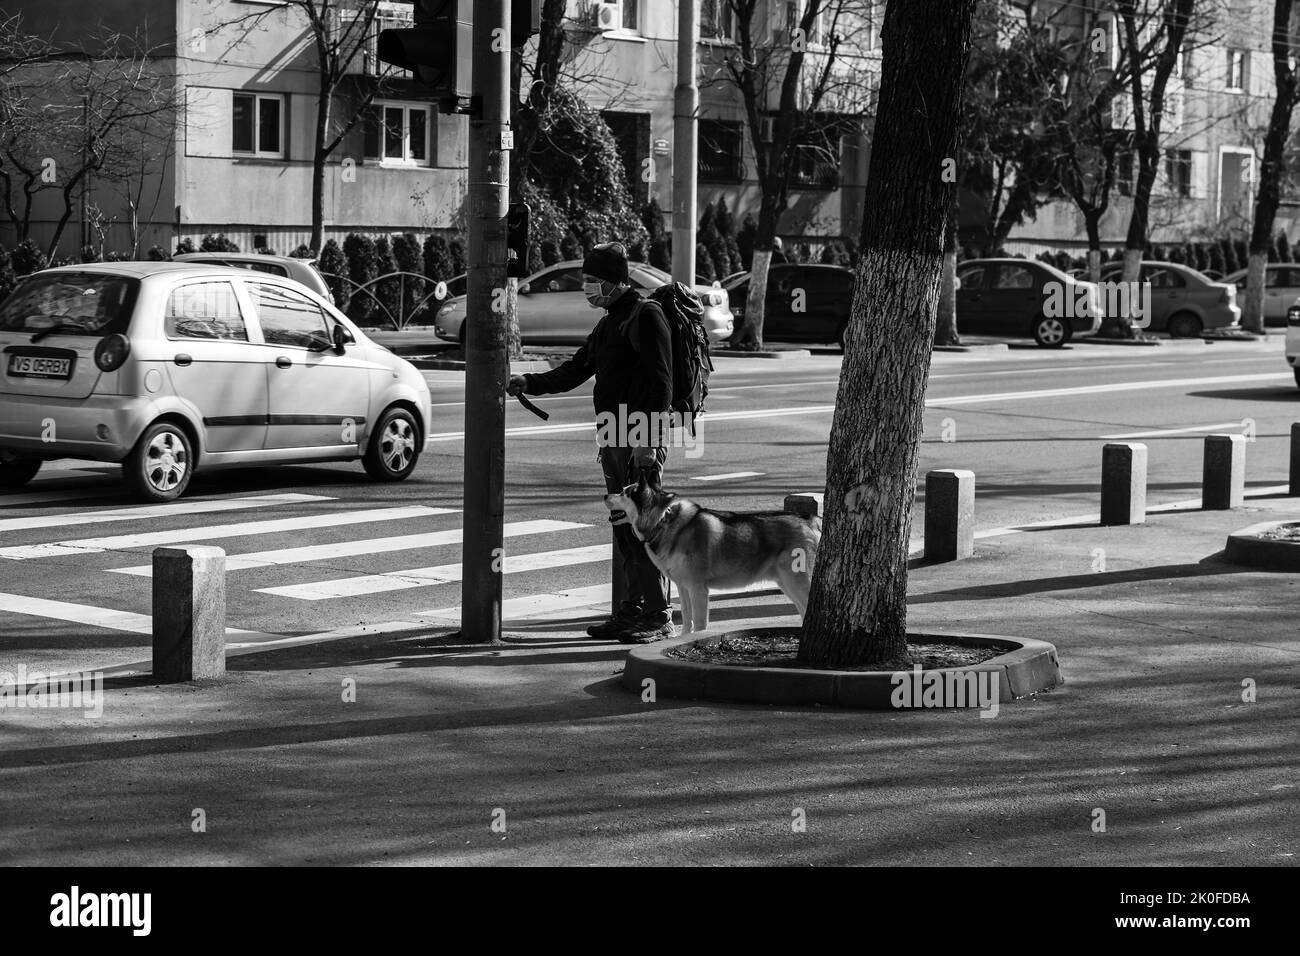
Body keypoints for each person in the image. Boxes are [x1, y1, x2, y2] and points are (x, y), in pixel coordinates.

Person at [507, 242, 675, 644]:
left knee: (643, 530)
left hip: (637, 439)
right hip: (612, 437)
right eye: (584, 281)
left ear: (616, 281)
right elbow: (577, 369)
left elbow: (661, 384)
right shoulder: (609, 321)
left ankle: (658, 616)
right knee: (624, 530)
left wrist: (647, 442)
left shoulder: (646, 315)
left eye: (593, 281)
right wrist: (530, 383)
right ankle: (632, 611)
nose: (586, 289)